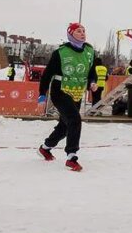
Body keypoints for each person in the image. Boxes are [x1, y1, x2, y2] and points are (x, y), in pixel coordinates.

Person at [36, 23, 99, 172]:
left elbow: (92, 71)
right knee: (75, 120)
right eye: (79, 31)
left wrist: (93, 82)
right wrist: (42, 97)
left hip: (77, 92)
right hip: (60, 91)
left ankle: (45, 148)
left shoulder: (89, 51)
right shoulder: (60, 52)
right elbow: (46, 75)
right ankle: (72, 156)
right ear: (71, 34)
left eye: (84, 31)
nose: (83, 33)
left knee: (65, 127)